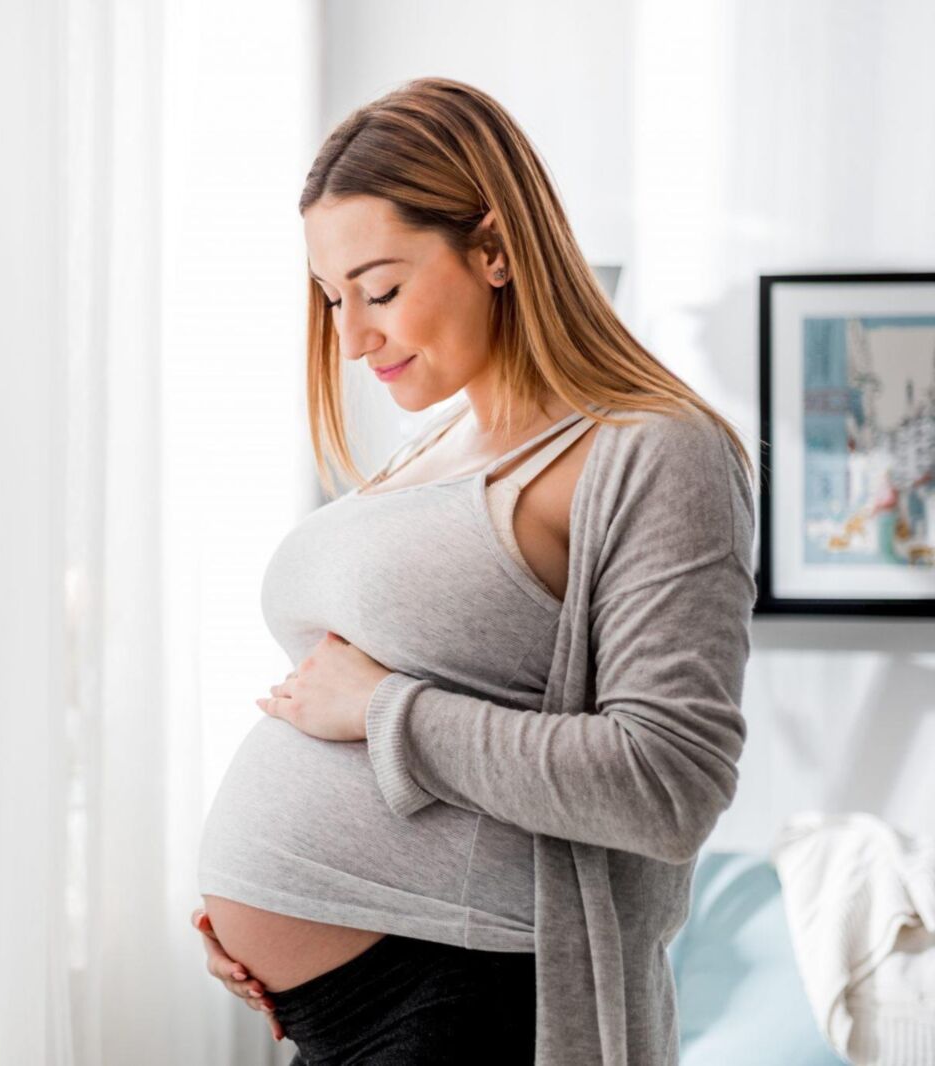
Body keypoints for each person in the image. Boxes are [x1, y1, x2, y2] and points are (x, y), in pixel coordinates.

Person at [189, 76, 758, 1065]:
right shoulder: (436, 443)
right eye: (331, 299)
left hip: (473, 1000)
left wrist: (383, 711)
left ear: (493, 247)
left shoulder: (650, 451)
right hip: (353, 1012)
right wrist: (286, 914)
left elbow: (670, 783)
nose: (353, 335)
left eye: (381, 288)